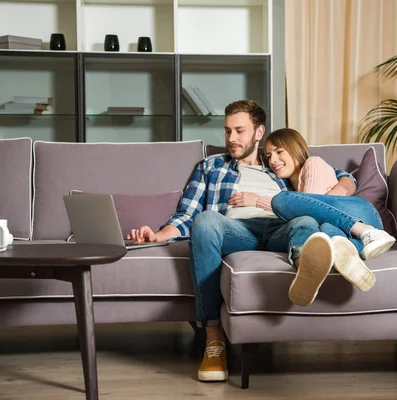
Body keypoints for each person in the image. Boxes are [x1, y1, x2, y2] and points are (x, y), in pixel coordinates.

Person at [126, 100, 358, 383]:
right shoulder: (212, 166)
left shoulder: (278, 161)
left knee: (306, 222)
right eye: (227, 131)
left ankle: (305, 267)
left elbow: (331, 173)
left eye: (239, 131)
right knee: (206, 219)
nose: (231, 139)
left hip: (279, 230)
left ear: (258, 132)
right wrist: (159, 235)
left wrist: (343, 186)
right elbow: (188, 214)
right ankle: (213, 340)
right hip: (236, 230)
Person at [227, 128, 396, 307]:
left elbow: (309, 210)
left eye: (279, 152)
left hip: (361, 213)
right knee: (329, 236)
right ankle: (353, 260)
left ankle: (367, 232)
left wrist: (258, 200)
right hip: (343, 228)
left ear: (295, 148)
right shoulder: (290, 186)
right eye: (268, 156)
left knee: (282, 201)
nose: (273, 160)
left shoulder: (312, 163)